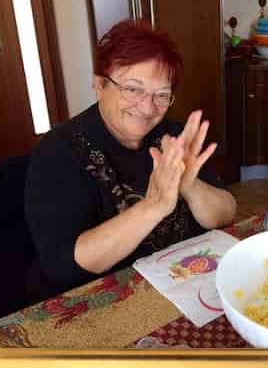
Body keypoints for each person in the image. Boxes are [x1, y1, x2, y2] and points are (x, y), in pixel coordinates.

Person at [24, 19, 236, 302]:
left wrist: (190, 184)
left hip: (182, 286)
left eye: (161, 95)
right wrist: (152, 207)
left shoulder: (172, 136)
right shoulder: (59, 152)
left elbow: (226, 213)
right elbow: (62, 263)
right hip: (106, 303)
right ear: (99, 84)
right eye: (133, 89)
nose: (148, 108)